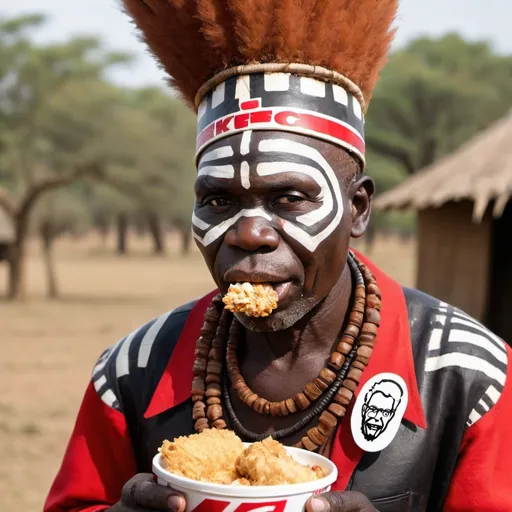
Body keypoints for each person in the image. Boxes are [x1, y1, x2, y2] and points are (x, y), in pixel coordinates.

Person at [44, 0, 512, 511]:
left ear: (357, 209)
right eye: (218, 199)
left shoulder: (469, 376)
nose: (248, 233)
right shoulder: (131, 372)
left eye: (288, 198)